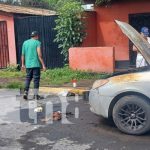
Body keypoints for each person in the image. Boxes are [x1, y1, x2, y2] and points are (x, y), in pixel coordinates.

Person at [21, 31, 46, 100]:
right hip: (35, 64)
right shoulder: (37, 43)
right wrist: (43, 65)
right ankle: (35, 95)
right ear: (36, 36)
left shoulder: (25, 43)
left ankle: (26, 92)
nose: (38, 37)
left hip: (28, 65)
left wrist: (23, 64)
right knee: (36, 80)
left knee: (28, 78)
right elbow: (39, 55)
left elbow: (23, 54)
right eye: (38, 36)